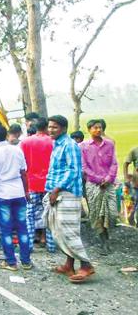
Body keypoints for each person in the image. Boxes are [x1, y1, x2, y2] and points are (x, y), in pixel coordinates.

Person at [45, 115, 94, 283]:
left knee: (68, 230)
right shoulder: (57, 144)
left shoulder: (69, 145)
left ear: (64, 129)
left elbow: (73, 171)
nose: (51, 130)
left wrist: (56, 190)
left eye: (55, 127)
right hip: (56, 192)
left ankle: (86, 265)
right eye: (49, 127)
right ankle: (69, 264)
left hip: (66, 193)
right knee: (58, 229)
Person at [0, 124, 32, 271]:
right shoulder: (17, 150)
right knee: (22, 228)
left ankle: (11, 262)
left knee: (6, 230)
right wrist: (26, 191)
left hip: (2, 195)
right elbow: (23, 173)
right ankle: (26, 261)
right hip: (18, 193)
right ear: (6, 135)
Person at [81, 119, 118, 253]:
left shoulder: (109, 144)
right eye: (95, 128)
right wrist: (98, 179)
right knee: (97, 214)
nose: (98, 130)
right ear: (89, 129)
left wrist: (108, 179)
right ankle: (103, 241)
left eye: (100, 127)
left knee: (112, 213)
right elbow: (84, 167)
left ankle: (108, 236)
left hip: (108, 184)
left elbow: (114, 163)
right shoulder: (84, 146)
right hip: (93, 184)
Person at [20, 117, 55, 253]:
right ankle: (51, 245)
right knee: (49, 213)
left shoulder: (25, 142)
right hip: (49, 183)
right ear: (47, 127)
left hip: (31, 183)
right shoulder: (53, 142)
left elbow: (22, 165)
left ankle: (28, 245)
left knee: (30, 214)